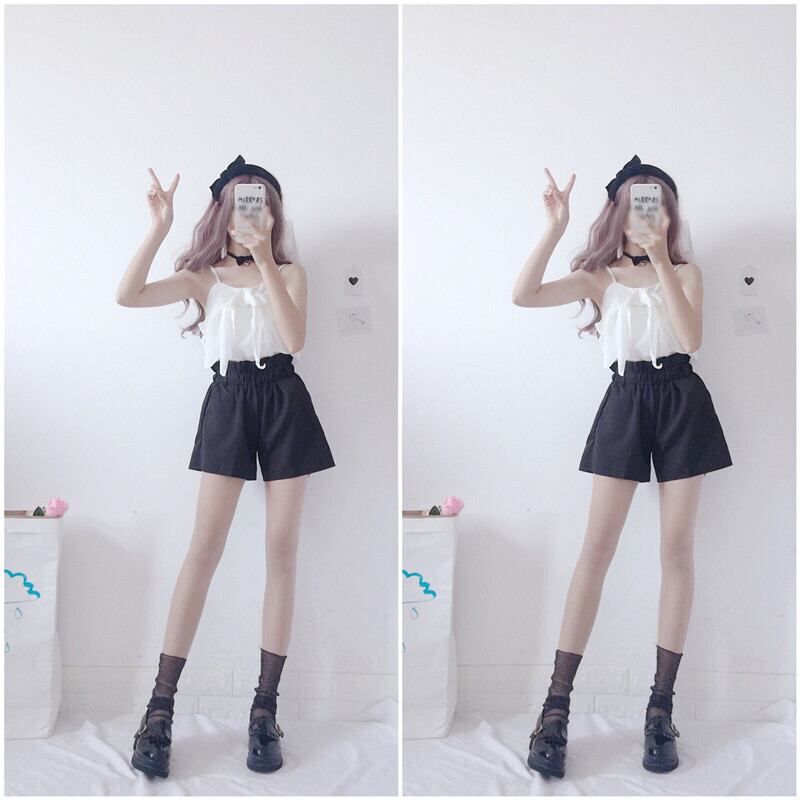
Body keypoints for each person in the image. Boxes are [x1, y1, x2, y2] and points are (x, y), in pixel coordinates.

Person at [511, 154, 732, 778]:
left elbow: (690, 338)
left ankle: (660, 711)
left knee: (677, 549)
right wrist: (556, 228)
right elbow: (523, 295)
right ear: (618, 210)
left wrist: (659, 259)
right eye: (637, 201)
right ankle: (555, 709)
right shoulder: (599, 277)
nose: (646, 211)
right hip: (626, 399)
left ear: (669, 211)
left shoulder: (685, 273)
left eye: (656, 201)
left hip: (682, 398)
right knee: (595, 549)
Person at [115, 155, 336, 778]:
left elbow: (294, 339)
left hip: (284, 397)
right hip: (228, 400)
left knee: (282, 549)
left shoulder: (290, 272)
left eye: (261, 201)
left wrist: (263, 259)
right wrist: (160, 228)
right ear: (223, 210)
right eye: (242, 200)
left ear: (273, 211)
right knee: (203, 548)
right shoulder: (203, 277)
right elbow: (127, 295)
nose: (251, 211)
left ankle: (265, 711)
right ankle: (159, 709)